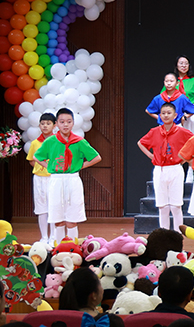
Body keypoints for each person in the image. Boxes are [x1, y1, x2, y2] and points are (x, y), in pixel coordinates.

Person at [33, 108, 101, 242]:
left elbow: (96, 157)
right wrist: (50, 167)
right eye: (62, 122)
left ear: (73, 123)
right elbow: (37, 157)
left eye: (69, 122)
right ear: (57, 124)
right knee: (57, 218)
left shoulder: (79, 141)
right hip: (56, 180)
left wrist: (80, 166)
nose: (65, 125)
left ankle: (72, 248)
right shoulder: (50, 141)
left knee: (72, 218)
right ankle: (58, 248)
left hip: (72, 179)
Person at [138, 103, 193, 230]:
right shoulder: (154, 131)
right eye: (163, 113)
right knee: (162, 206)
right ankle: (164, 232)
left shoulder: (182, 132)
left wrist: (185, 158)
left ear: (175, 115)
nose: (166, 115)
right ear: (159, 115)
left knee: (176, 205)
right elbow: (140, 143)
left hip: (175, 168)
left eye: (169, 113)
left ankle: (178, 233)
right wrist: (151, 156)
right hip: (160, 169)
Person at [58, 267, 125, 327]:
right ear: (93, 295)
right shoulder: (110, 322)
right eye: (100, 284)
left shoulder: (58, 321)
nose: (102, 289)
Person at [25, 112, 55, 243]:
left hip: (54, 178)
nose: (45, 126)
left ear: (54, 125)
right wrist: (40, 168)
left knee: (54, 206)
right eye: (42, 124)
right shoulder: (35, 143)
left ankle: (53, 236)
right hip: (39, 178)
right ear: (39, 126)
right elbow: (31, 160)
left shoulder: (58, 142)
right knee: (41, 207)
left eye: (48, 123)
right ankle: (44, 237)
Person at [171, 56, 194, 134]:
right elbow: (164, 95)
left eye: (186, 63)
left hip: (191, 113)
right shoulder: (171, 81)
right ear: (176, 65)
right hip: (176, 113)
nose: (184, 65)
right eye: (181, 63)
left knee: (192, 136)